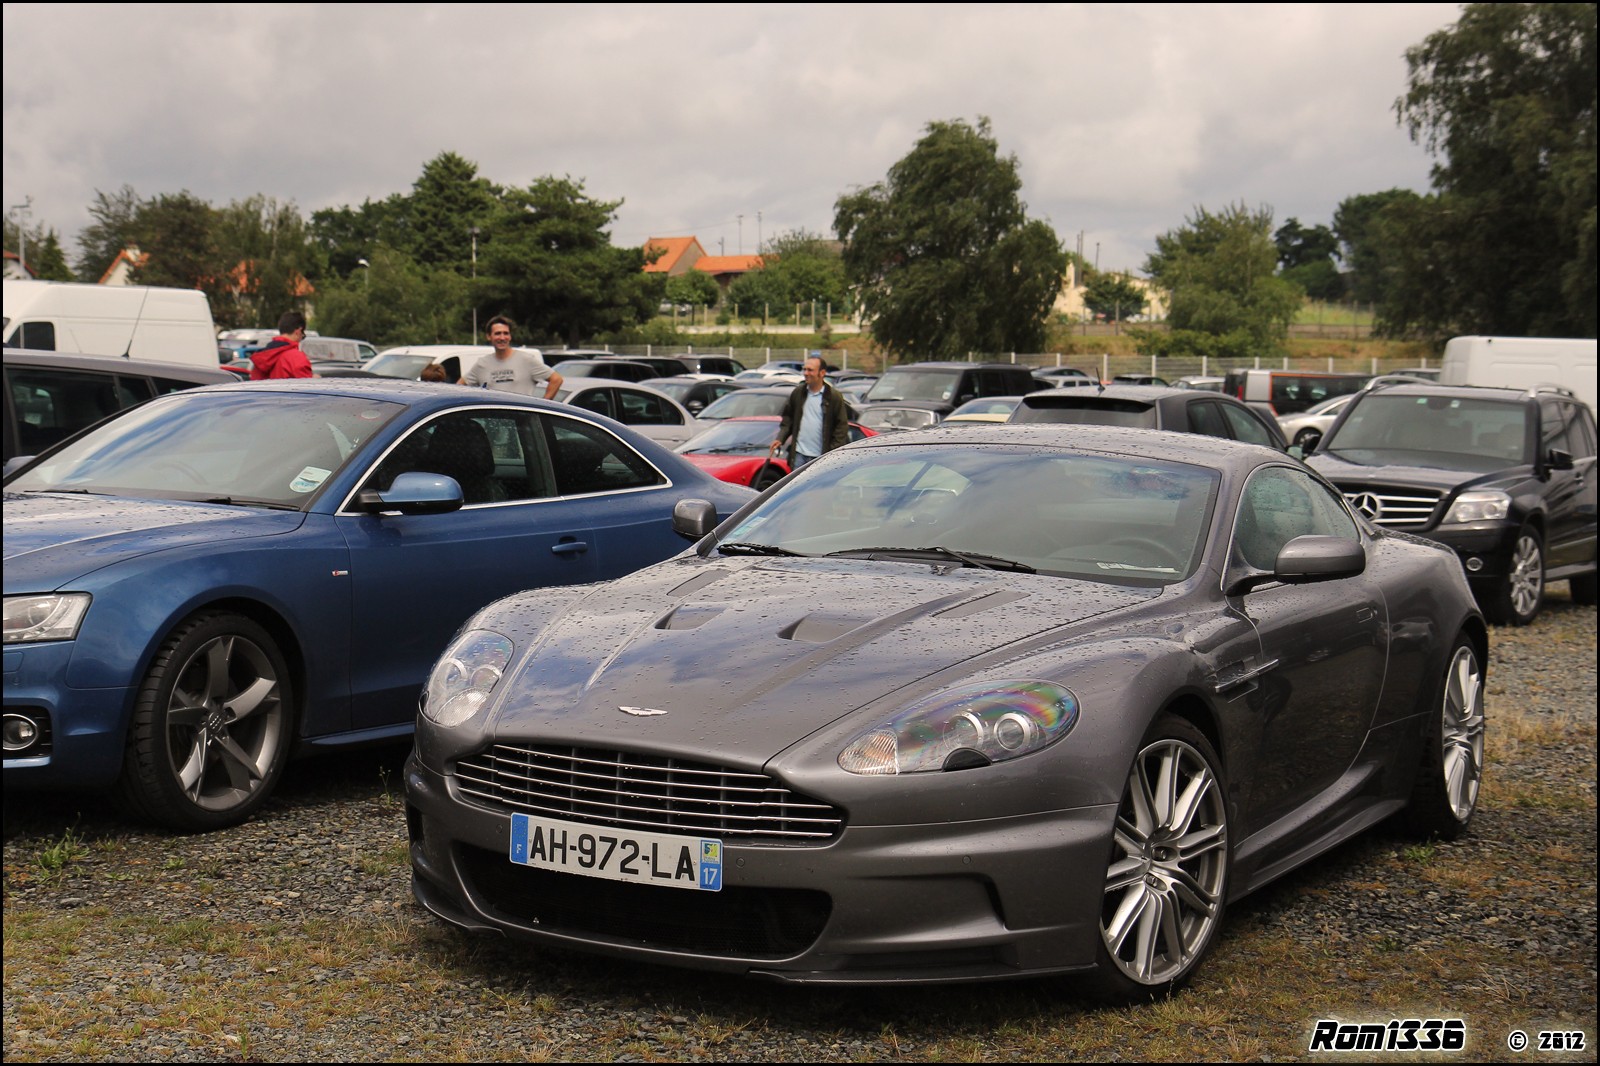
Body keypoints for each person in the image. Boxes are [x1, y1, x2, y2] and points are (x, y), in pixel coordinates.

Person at [770, 355, 849, 468]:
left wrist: (832, 453)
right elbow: (788, 420)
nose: (806, 373)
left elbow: (841, 427)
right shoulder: (798, 393)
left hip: (822, 457)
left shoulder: (833, 397)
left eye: (810, 370)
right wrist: (780, 438)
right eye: (804, 369)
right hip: (799, 455)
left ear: (822, 373)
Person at [459, 315, 563, 399]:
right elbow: (459, 386)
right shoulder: (482, 364)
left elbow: (556, 379)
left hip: (522, 418)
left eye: (506, 333)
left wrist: (542, 405)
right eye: (497, 333)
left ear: (510, 336)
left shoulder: (526, 360)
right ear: (489, 336)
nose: (502, 338)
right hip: (493, 418)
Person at [249, 311, 314, 380]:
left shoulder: (262, 357)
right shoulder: (296, 358)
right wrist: (315, 379)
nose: (301, 338)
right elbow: (307, 384)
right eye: (303, 335)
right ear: (298, 332)